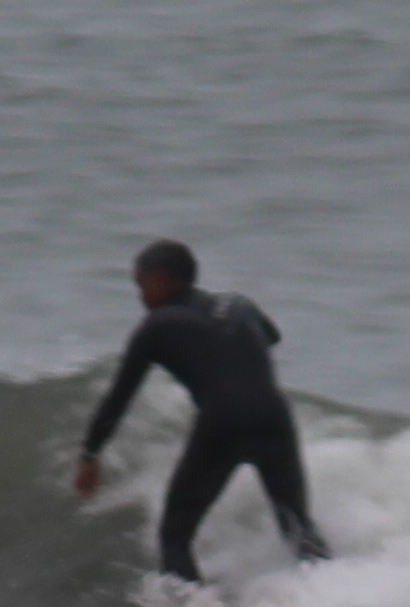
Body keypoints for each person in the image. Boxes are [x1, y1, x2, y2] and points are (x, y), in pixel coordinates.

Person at [74, 238, 330, 584]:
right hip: (274, 416)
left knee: (174, 534)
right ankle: (332, 593)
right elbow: (271, 337)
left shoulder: (156, 325)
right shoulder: (238, 303)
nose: (141, 297)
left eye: (141, 284)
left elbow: (119, 397)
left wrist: (90, 454)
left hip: (223, 422)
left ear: (161, 279)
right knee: (296, 524)